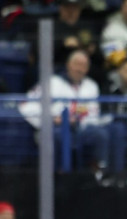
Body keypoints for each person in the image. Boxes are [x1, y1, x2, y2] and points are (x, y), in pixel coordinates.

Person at [18, 49, 111, 178]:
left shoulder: (91, 86)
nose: (80, 69)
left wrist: (78, 120)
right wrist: (52, 118)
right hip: (54, 128)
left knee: (100, 134)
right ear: (68, 65)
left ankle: (100, 175)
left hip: (80, 129)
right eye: (77, 64)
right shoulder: (52, 82)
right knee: (59, 136)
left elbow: (93, 114)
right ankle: (57, 176)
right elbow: (26, 105)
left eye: (84, 66)